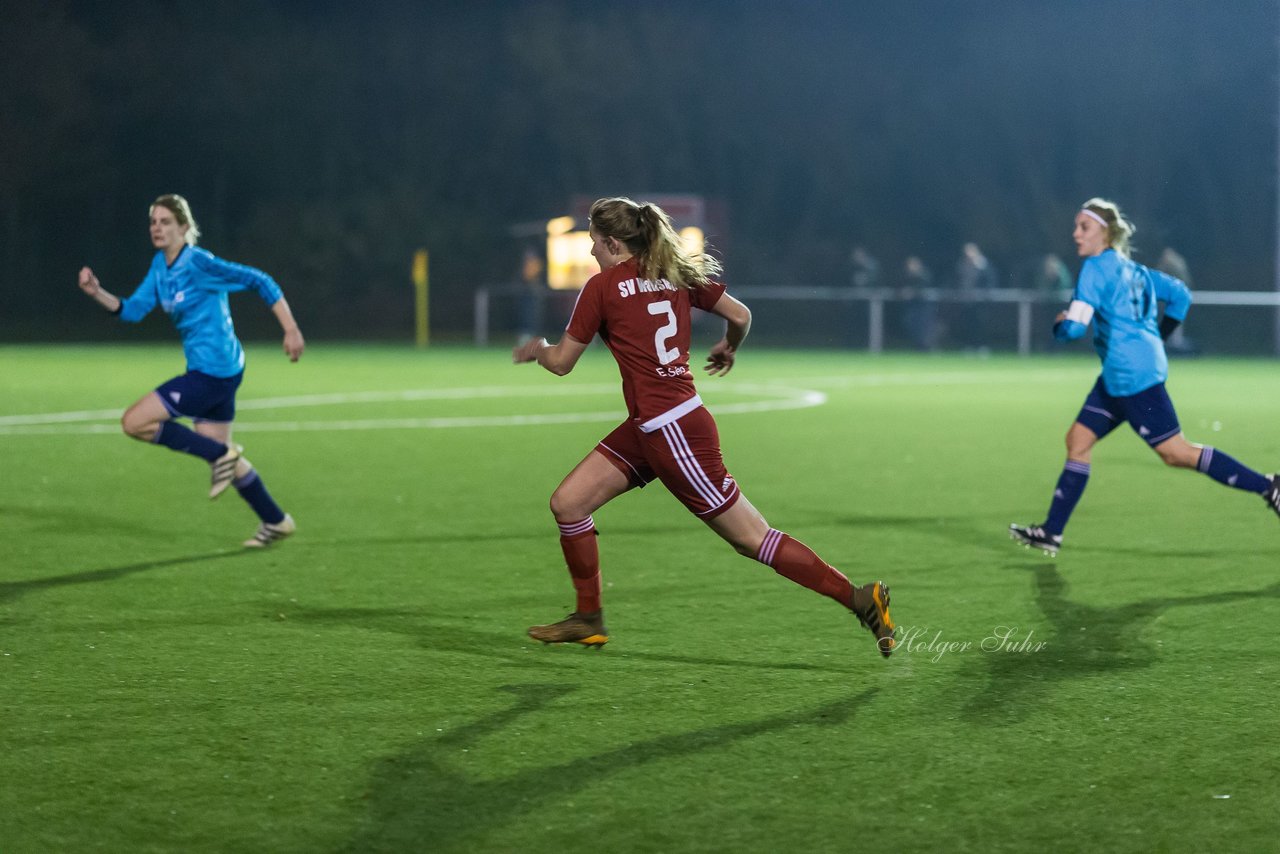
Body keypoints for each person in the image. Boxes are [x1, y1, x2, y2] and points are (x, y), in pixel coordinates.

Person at [513, 197, 895, 656]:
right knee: (569, 503)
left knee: (753, 538)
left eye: (595, 243)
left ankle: (859, 597)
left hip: (672, 433)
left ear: (613, 242)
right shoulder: (673, 271)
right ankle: (588, 618)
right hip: (655, 425)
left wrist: (536, 347)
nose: (592, 251)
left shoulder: (602, 287)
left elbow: (560, 364)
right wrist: (729, 347)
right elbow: (741, 316)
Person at [1010, 198, 1280, 555]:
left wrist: (1059, 326)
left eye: (1083, 227)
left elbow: (1075, 329)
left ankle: (1269, 486)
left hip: (1134, 380)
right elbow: (1181, 296)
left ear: (1104, 233)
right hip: (1118, 377)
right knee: (1078, 440)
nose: (1075, 234)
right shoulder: (1135, 271)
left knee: (1176, 453)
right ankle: (1052, 532)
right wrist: (1158, 338)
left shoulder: (1095, 270)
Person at [77, 194, 305, 547]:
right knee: (220, 450)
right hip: (214, 370)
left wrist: (290, 329)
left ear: (184, 228)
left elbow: (260, 280)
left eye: (166, 221)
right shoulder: (160, 266)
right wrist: (96, 293)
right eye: (153, 221)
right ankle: (276, 520)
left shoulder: (199, 263)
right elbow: (134, 309)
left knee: (134, 422)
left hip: (214, 373)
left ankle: (221, 457)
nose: (157, 227)